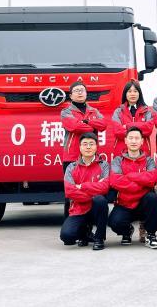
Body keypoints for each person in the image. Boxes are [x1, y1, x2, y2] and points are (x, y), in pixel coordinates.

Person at [107, 127, 157, 249]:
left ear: (142, 141)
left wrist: (129, 176)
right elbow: (115, 181)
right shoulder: (118, 160)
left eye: (137, 138)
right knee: (114, 222)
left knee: (153, 198)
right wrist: (141, 184)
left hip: (143, 204)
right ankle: (127, 231)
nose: (133, 141)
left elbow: (152, 179)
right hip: (124, 204)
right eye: (130, 138)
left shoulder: (149, 161)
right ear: (125, 140)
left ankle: (151, 235)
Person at [60, 82, 107, 217]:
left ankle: (89, 224)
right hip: (72, 157)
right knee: (71, 194)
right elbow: (74, 126)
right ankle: (70, 222)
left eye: (82, 90)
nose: (80, 92)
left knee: (91, 192)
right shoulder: (66, 111)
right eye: (76, 90)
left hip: (91, 157)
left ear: (86, 94)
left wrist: (87, 122)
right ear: (71, 95)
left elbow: (103, 125)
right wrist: (92, 125)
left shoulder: (94, 111)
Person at [59, 132, 110, 250]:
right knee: (67, 237)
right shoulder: (71, 167)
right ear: (80, 147)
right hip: (79, 209)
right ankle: (84, 234)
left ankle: (99, 238)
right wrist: (93, 192)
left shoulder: (104, 165)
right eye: (85, 144)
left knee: (100, 200)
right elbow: (69, 191)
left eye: (91, 144)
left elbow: (104, 187)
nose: (88, 147)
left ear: (96, 147)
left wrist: (81, 186)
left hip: (96, 208)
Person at [109, 80, 155, 156]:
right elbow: (117, 131)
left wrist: (127, 126)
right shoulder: (118, 111)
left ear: (139, 93)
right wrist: (140, 127)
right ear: (125, 94)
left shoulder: (147, 111)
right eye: (129, 91)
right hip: (122, 153)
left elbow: (148, 129)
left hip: (143, 153)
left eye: (135, 91)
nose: (132, 94)